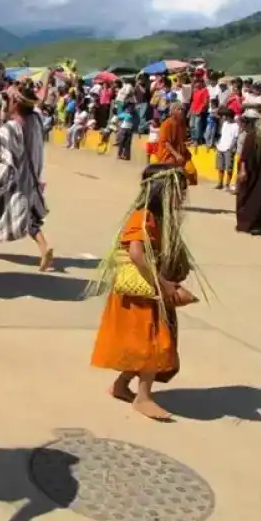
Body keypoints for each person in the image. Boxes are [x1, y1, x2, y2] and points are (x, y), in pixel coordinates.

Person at [89, 164, 204, 420]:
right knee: (152, 343)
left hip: (152, 288)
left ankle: (120, 386)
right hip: (142, 293)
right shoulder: (142, 217)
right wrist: (163, 283)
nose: (181, 198)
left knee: (148, 343)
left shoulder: (159, 219)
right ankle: (143, 397)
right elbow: (136, 254)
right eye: (178, 191)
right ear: (162, 190)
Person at [0, 87, 54, 271]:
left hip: (17, 178)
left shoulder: (11, 128)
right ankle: (44, 249)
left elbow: (4, 152)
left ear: (16, 103)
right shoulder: (35, 120)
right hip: (33, 175)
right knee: (31, 216)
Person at [155, 101, 190, 167]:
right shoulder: (166, 124)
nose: (181, 111)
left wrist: (187, 143)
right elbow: (166, 143)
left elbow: (184, 140)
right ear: (172, 111)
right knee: (172, 165)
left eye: (182, 110)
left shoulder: (183, 124)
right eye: (178, 109)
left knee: (191, 170)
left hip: (181, 154)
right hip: (168, 154)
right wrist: (177, 155)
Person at [215, 109, 239, 191]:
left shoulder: (236, 126)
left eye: (225, 116)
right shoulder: (225, 123)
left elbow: (235, 139)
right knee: (220, 167)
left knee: (229, 167)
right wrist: (218, 143)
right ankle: (220, 183)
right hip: (220, 147)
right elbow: (222, 135)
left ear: (229, 116)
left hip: (228, 148)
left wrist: (231, 148)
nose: (224, 117)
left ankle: (227, 185)